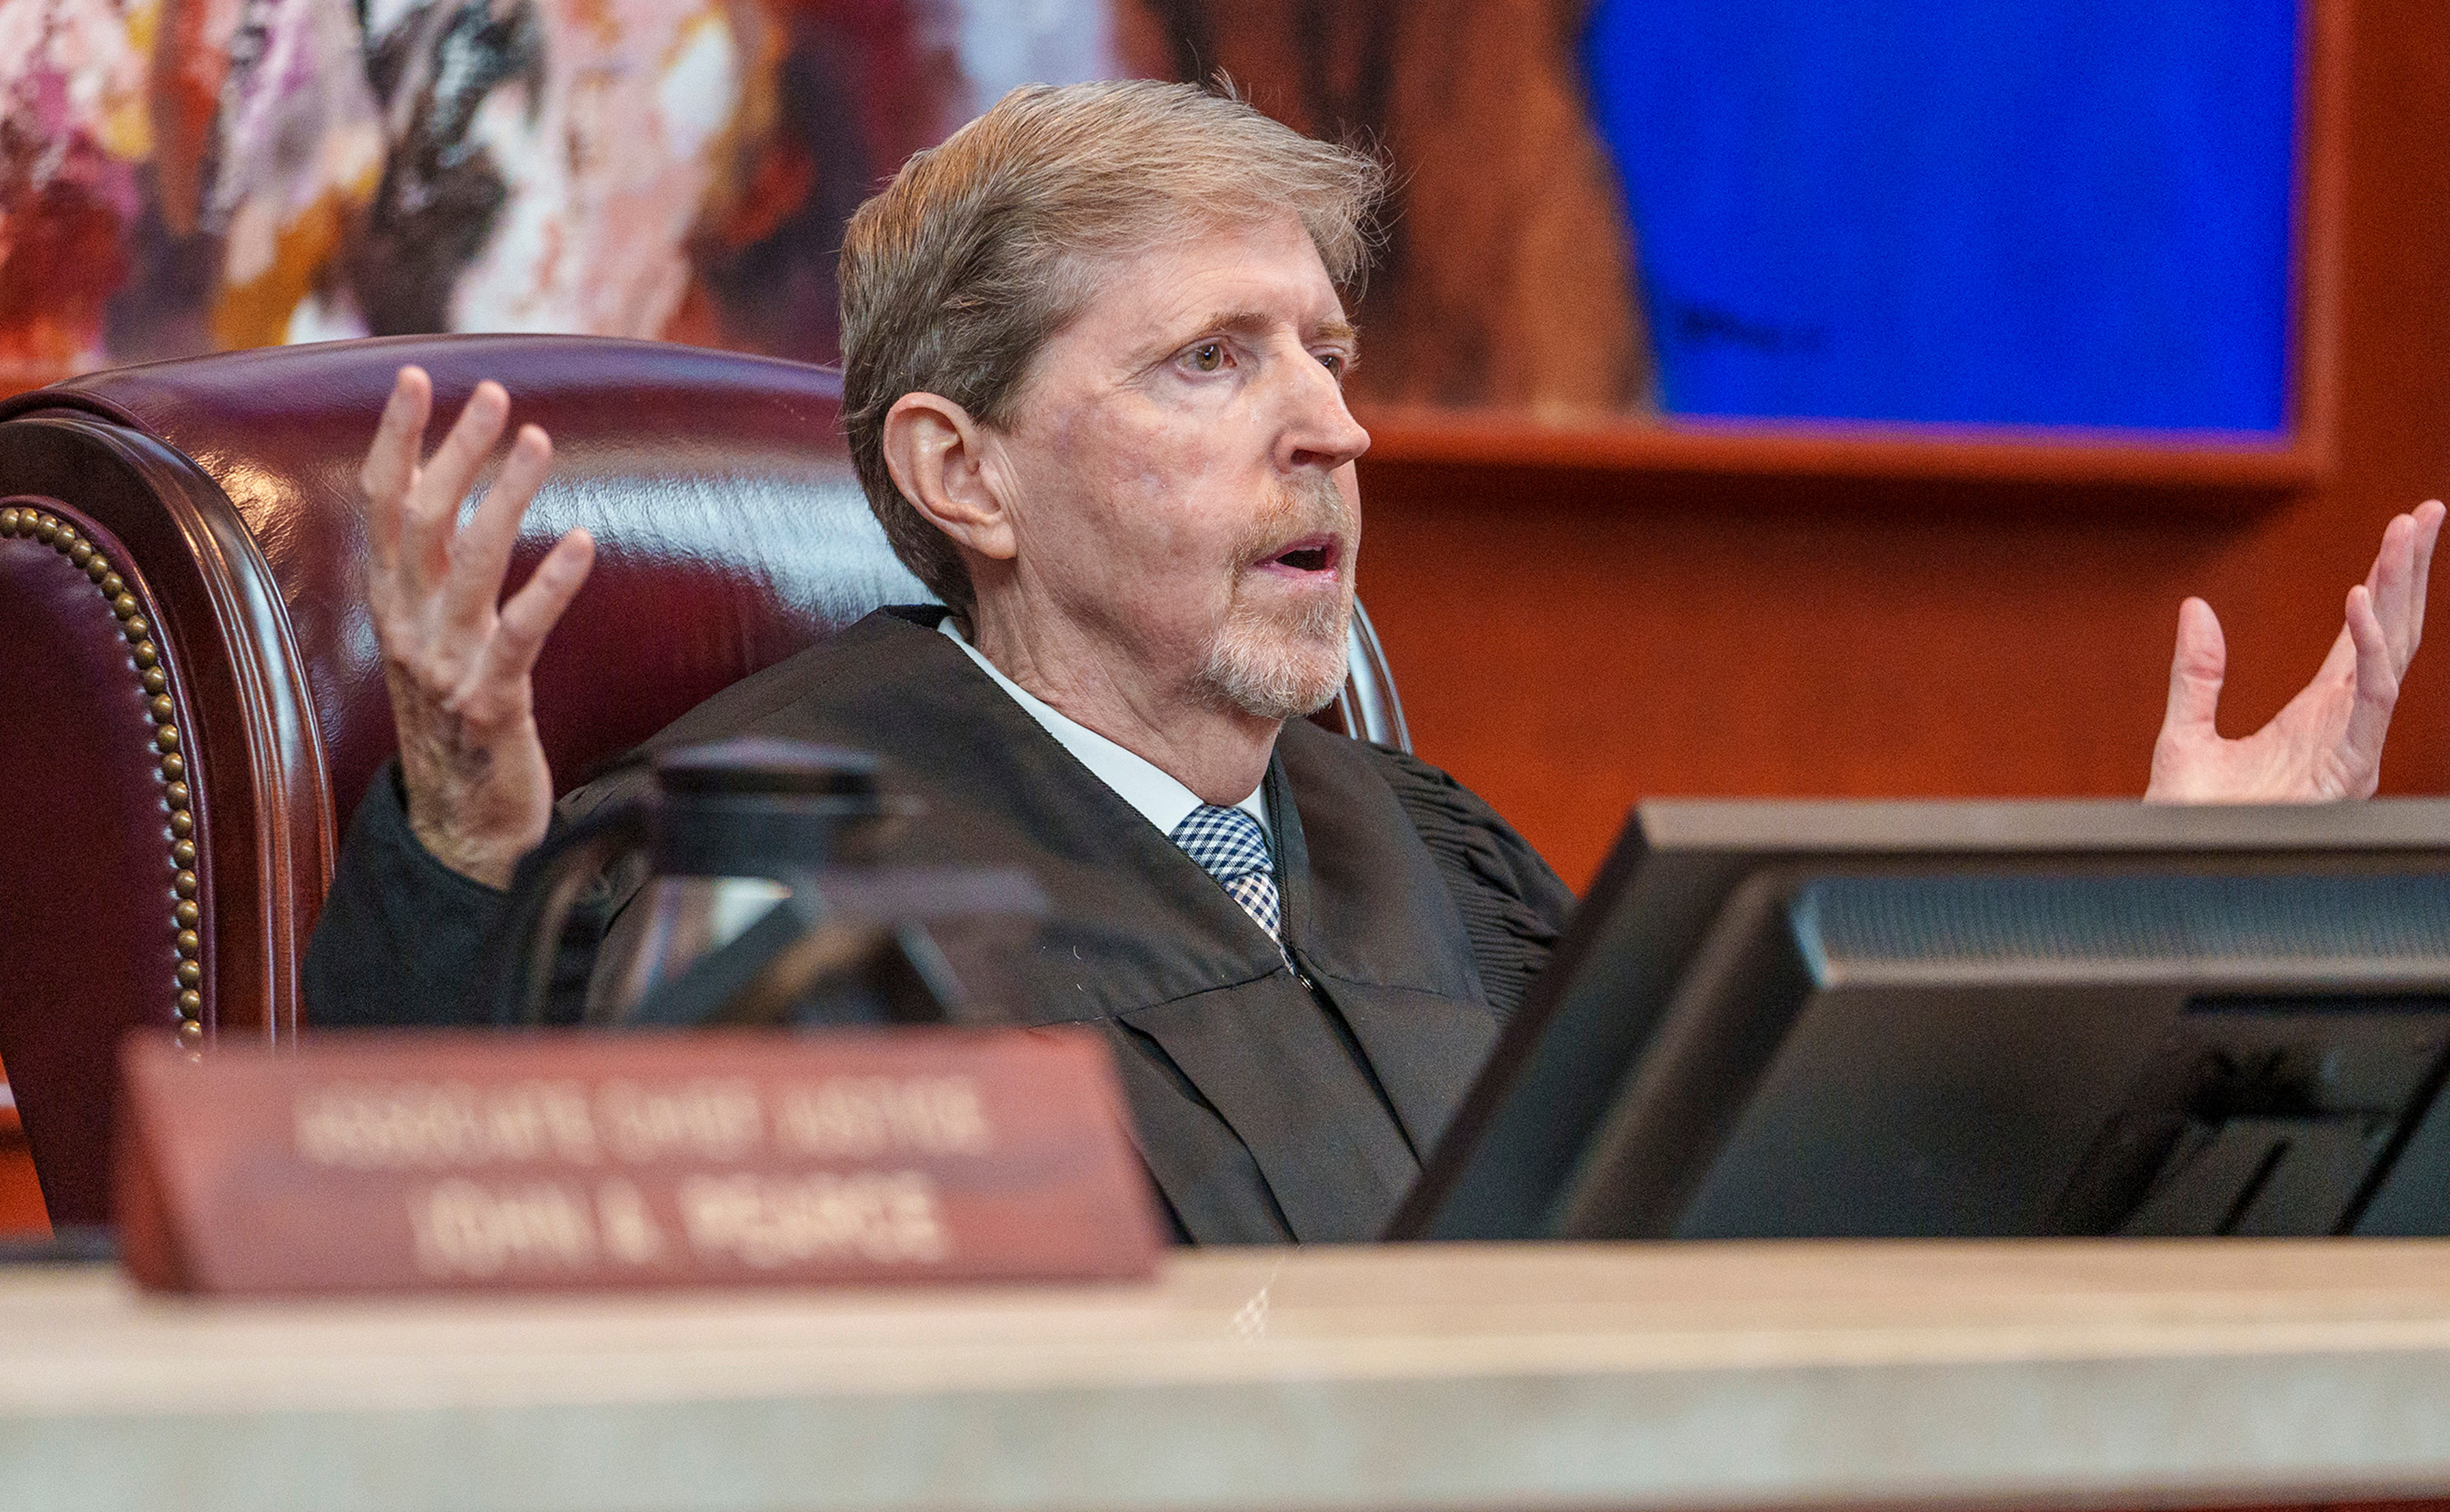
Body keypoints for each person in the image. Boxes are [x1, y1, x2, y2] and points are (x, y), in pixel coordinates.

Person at [302, 78, 2445, 1244]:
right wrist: (480, 832)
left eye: (1328, 352)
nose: (1331, 423)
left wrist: (2157, 956)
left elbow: (1764, 1261)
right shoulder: (788, 858)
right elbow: (501, 1303)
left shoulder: (1424, 846)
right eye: (1213, 363)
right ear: (964, 472)